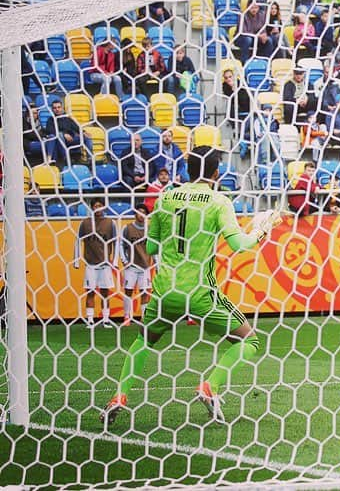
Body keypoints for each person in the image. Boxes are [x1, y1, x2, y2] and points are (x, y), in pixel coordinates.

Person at [101, 147, 282, 426]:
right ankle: (210, 386)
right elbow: (240, 246)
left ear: (187, 170)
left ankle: (120, 396)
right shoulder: (218, 200)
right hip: (199, 292)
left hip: (163, 290)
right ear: (216, 173)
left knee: (143, 341)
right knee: (249, 339)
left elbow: (150, 247)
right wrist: (262, 229)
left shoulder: (166, 197)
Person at [74, 198, 117, 329]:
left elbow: (116, 242)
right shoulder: (85, 223)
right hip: (90, 264)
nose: (98, 208)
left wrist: (114, 261)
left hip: (105, 264)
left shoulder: (111, 223)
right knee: (90, 292)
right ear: (92, 208)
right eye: (95, 206)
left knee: (105, 292)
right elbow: (77, 240)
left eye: (100, 206)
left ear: (104, 207)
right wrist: (76, 260)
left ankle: (106, 319)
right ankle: (90, 320)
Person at [119, 204, 153, 327]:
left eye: (144, 213)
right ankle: (127, 316)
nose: (141, 215)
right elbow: (121, 244)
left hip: (145, 267)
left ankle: (144, 318)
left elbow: (153, 247)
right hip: (131, 267)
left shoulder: (149, 230)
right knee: (128, 291)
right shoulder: (127, 228)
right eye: (139, 212)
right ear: (135, 214)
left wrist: (156, 263)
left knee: (145, 292)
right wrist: (124, 260)